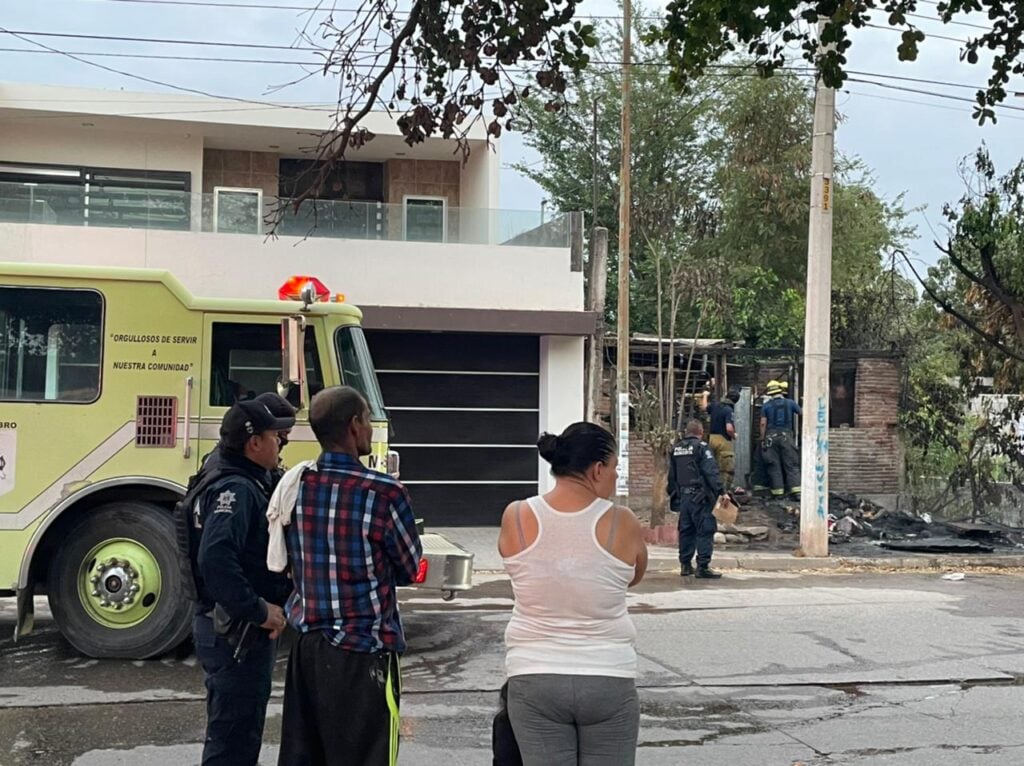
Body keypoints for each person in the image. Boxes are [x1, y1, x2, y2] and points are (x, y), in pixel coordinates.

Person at [275, 386, 422, 766]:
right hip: (363, 652)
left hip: (307, 650)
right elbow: (408, 568)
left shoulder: (294, 486)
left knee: (305, 756)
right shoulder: (385, 492)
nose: (371, 429)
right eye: (369, 419)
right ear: (355, 426)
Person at [498, 422, 648, 766]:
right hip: (608, 678)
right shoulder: (622, 521)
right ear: (598, 469)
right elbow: (633, 577)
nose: (614, 476)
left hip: (533, 676)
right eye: (614, 468)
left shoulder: (517, 515)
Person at [189, 399, 294, 766]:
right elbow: (215, 559)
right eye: (276, 438)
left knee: (237, 731)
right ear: (254, 444)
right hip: (236, 632)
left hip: (230, 628)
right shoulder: (237, 489)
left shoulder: (226, 468)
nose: (281, 444)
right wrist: (259, 609)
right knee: (233, 739)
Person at [668, 419, 725, 579]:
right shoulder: (702, 447)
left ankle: (685, 565)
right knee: (705, 530)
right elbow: (711, 472)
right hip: (701, 497)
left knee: (686, 530)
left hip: (684, 498)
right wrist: (721, 491)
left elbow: (672, 476)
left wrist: (674, 494)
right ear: (700, 433)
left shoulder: (676, 448)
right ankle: (703, 567)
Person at [760, 379, 802, 498]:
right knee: (791, 464)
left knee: (774, 465)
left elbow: (763, 423)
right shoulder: (790, 403)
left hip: (770, 437)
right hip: (786, 436)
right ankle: (796, 492)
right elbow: (802, 413)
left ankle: (778, 492)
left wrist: (762, 439)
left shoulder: (766, 406)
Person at [706, 385, 739, 490]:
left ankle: (712, 493)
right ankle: (723, 495)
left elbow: (704, 407)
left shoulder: (715, 405)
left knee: (712, 468)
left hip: (711, 439)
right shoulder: (728, 410)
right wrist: (734, 435)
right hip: (723, 441)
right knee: (726, 469)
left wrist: (704, 395)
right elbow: (729, 428)